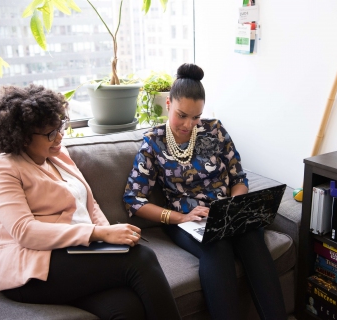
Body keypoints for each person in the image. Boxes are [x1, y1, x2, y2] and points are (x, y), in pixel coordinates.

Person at [0, 84, 181, 320]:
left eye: (59, 127)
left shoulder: (58, 155)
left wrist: (111, 236)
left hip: (74, 255)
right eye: (50, 133)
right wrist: (98, 234)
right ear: (23, 137)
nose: (59, 136)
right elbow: (24, 232)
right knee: (142, 258)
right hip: (30, 269)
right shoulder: (4, 168)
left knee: (127, 308)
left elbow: (90, 204)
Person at [123, 63, 287, 320]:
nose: (189, 124)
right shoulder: (153, 143)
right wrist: (181, 217)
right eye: (182, 115)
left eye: (196, 116)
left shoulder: (215, 130)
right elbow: (133, 200)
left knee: (252, 237)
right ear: (168, 104)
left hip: (226, 212)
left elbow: (238, 177)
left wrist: (235, 206)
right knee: (217, 245)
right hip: (187, 220)